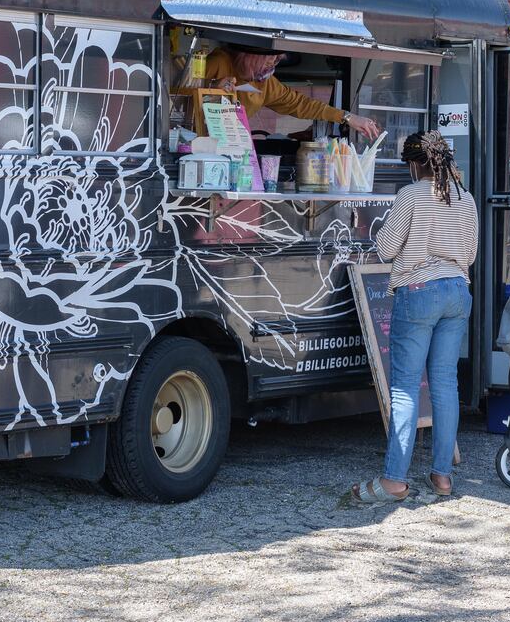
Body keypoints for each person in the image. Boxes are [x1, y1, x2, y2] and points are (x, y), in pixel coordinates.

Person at [351, 130, 477, 503]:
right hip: (457, 290)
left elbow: (387, 248)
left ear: (412, 164)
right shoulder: (465, 198)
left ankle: (394, 481)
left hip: (419, 292)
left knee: (405, 389)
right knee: (445, 384)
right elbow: (469, 254)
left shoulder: (411, 194)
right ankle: (442, 476)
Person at [196, 47, 383, 140]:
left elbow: (301, 104)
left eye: (278, 59)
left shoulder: (267, 84)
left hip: (226, 146)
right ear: (254, 52)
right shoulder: (219, 62)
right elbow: (179, 87)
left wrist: (346, 117)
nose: (275, 62)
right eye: (272, 56)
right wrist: (211, 88)